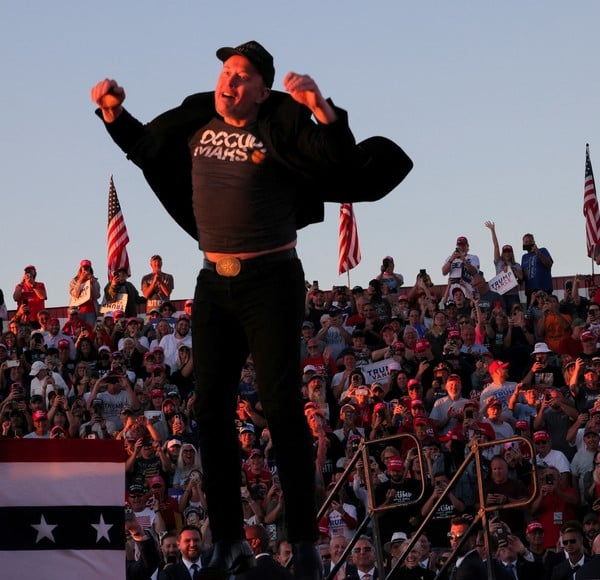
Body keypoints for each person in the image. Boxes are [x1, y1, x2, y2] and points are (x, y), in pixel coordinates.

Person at [91, 40, 411, 579]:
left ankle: (306, 544)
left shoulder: (282, 123)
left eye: (241, 76)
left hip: (272, 280)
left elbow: (339, 162)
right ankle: (230, 541)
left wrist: (321, 110)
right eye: (225, 72)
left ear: (263, 90)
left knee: (282, 406)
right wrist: (113, 114)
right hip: (214, 281)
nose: (229, 82)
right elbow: (147, 147)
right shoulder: (198, 116)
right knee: (209, 410)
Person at [520, 233, 553, 301]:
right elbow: (523, 276)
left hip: (544, 289)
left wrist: (537, 252)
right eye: (526, 242)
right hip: (530, 292)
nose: (528, 243)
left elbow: (549, 264)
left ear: (534, 242)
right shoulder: (524, 257)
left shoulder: (543, 250)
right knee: (531, 311)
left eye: (530, 241)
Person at [69, 258, 101, 326]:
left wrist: (93, 283)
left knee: (90, 331)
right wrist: (80, 281)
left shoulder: (94, 280)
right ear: (81, 269)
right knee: (79, 330)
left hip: (91, 311)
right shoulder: (74, 281)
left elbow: (97, 296)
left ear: (90, 269)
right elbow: (74, 294)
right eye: (84, 268)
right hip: (78, 311)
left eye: (87, 268)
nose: (86, 270)